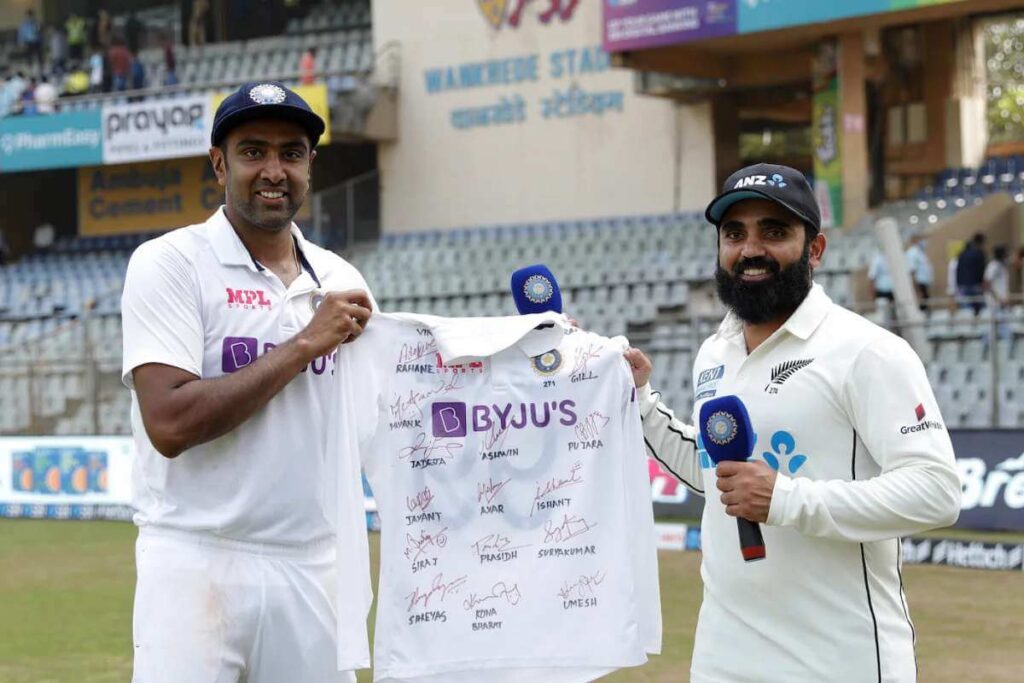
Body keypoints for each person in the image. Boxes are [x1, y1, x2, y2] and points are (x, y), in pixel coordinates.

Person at [622, 163, 960, 683]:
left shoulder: (868, 352)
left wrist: (784, 499)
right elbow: (719, 477)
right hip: (723, 655)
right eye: (734, 233)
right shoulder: (716, 352)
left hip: (840, 660)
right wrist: (639, 399)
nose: (750, 249)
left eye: (774, 232)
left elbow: (936, 492)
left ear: (815, 249)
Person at [121, 81, 374, 681]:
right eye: (252, 151)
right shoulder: (170, 263)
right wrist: (306, 343)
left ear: (310, 165)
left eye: (291, 153)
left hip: (312, 562)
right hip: (195, 557)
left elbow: (403, 411)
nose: (273, 170)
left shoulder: (341, 277)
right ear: (219, 163)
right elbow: (171, 422)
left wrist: (554, 364)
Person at [956, 232, 987, 313]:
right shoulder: (979, 253)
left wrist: (959, 284)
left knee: (966, 311)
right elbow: (981, 269)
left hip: (963, 285)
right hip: (975, 284)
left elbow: (958, 270)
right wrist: (981, 282)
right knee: (980, 310)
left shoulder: (961, 254)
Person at [904, 232, 933, 310]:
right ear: (914, 240)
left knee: (926, 307)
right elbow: (912, 272)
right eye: (921, 239)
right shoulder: (912, 253)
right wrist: (917, 290)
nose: (923, 242)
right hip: (919, 285)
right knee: (921, 308)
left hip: (923, 284)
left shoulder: (920, 252)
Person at [984, 245, 1010, 311]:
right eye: (1005, 253)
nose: (1007, 255)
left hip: (1003, 301)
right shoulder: (993, 266)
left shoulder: (1002, 266)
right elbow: (987, 284)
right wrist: (998, 299)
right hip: (994, 302)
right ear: (1001, 254)